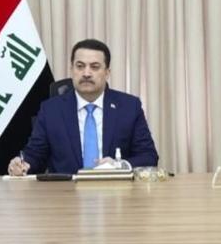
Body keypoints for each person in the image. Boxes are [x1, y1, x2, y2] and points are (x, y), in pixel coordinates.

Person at [9, 39, 158, 175]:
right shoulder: (51, 110)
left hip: (115, 190)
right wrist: (22, 164)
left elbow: (149, 156)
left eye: (95, 67)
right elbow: (35, 154)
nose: (86, 73)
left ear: (107, 73)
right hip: (65, 192)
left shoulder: (129, 107)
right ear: (72, 70)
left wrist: (120, 165)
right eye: (80, 66)